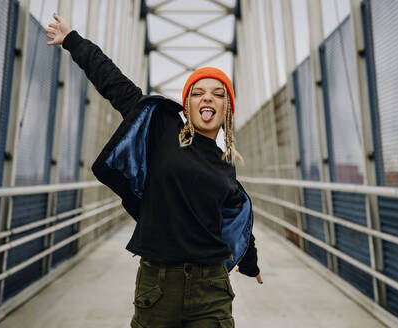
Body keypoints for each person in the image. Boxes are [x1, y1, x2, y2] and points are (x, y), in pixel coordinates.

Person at [46, 12, 262, 328]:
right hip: (158, 285)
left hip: (211, 288)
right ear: (187, 105)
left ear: (227, 109)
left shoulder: (225, 166)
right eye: (198, 92)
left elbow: (237, 218)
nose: (208, 98)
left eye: (219, 94)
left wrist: (250, 265)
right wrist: (73, 41)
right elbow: (115, 84)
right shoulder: (162, 126)